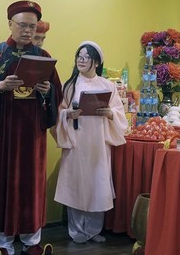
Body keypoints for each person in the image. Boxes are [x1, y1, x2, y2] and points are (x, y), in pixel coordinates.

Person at [0, 1, 61, 255]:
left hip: (33, 133)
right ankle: (3, 243)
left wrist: (47, 91)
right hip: (5, 132)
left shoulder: (43, 56)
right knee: (3, 181)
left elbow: (56, 92)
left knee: (32, 184)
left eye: (32, 26)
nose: (28, 31)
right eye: (22, 25)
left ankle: (32, 241)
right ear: (10, 24)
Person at [52, 41, 128, 244]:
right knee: (76, 185)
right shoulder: (69, 86)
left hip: (98, 145)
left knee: (97, 184)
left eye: (86, 57)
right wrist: (68, 114)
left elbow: (119, 114)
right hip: (76, 142)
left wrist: (110, 113)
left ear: (96, 62)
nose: (81, 60)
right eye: (79, 56)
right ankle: (77, 230)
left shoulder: (108, 86)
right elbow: (59, 112)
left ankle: (93, 230)